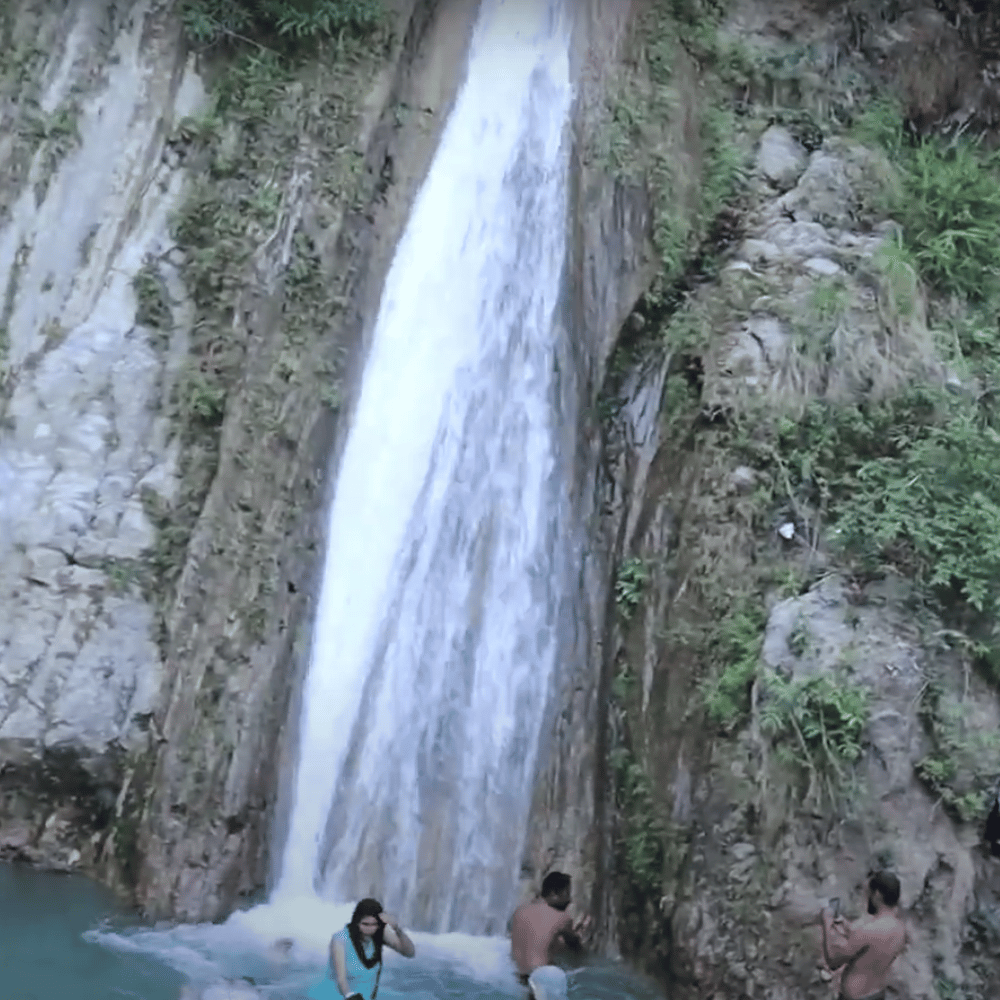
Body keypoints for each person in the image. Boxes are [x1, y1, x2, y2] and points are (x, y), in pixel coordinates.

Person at [819, 870, 907, 1000]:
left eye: (868, 894)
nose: (867, 899)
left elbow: (833, 960)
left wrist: (826, 924)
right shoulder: (900, 929)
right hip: (877, 995)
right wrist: (846, 926)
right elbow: (871, 948)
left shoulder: (867, 930)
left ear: (877, 895)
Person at [307, 898, 415, 1000]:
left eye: (374, 924)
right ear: (356, 922)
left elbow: (410, 953)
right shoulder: (340, 939)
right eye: (365, 924)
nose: (369, 929)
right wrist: (349, 994)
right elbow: (341, 979)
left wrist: (397, 929)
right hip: (336, 996)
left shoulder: (379, 934)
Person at [510, 872, 592, 1000]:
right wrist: (580, 935)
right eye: (566, 894)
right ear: (554, 894)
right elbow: (575, 948)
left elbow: (539, 944)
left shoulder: (519, 912)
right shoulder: (562, 917)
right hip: (544, 977)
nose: (569, 900)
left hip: (519, 978)